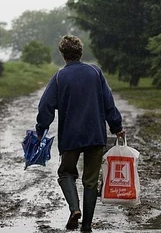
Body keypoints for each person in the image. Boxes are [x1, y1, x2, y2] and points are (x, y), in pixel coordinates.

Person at [35, 35, 125, 232]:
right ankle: (86, 226)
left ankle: (75, 209)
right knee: (90, 181)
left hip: (71, 136)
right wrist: (117, 126)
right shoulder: (95, 72)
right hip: (95, 135)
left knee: (66, 172)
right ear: (80, 52)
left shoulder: (59, 77)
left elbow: (46, 106)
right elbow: (108, 102)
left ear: (62, 54)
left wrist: (41, 129)